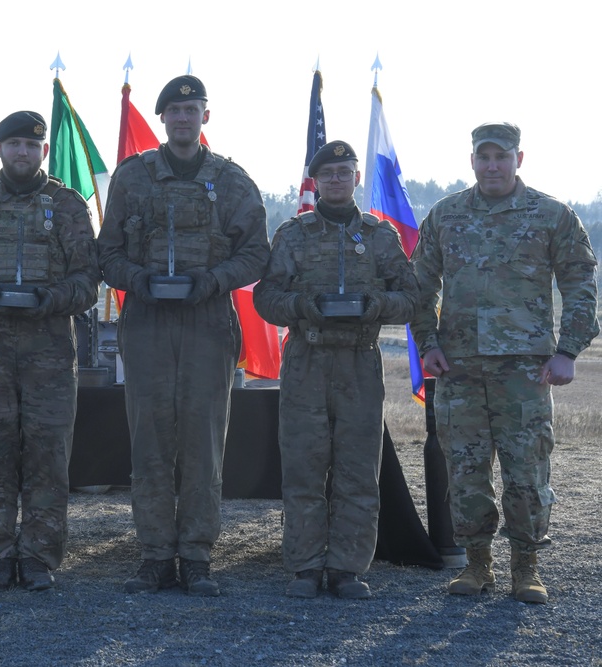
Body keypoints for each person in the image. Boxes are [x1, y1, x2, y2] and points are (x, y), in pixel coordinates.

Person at [411, 122, 599, 604]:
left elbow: (580, 285)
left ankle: (526, 569)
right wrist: (427, 342)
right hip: (459, 370)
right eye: (484, 157)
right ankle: (476, 565)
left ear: (520, 158)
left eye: (502, 156)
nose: (492, 165)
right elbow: (420, 286)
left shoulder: (552, 215)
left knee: (526, 473)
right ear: (471, 160)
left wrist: (567, 350)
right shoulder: (446, 215)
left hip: (525, 372)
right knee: (467, 471)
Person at [98, 75, 269, 597]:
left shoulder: (231, 180)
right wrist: (138, 280)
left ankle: (195, 556)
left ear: (205, 118)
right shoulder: (133, 177)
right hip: (148, 322)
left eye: (191, 109)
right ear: (162, 119)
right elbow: (106, 253)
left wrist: (211, 281)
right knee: (150, 442)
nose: (182, 118)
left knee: (202, 445)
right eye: (173, 110)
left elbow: (256, 253)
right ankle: (154, 556)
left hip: (207, 324)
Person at [0, 111, 100, 592]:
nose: (23, 153)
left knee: (47, 454)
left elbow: (88, 280)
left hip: (49, 349)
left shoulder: (68, 205)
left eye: (32, 146)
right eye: (13, 145)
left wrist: (52, 299)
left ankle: (38, 556)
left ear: (44, 152)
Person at [253, 140, 419, 599]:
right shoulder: (293, 234)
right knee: (305, 467)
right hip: (307, 358)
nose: (336, 181)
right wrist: (304, 306)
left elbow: (413, 298)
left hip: (360, 363)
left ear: (356, 178)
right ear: (315, 181)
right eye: (327, 174)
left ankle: (347, 567)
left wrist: (374, 304)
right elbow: (265, 298)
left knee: (357, 470)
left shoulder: (380, 236)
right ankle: (305, 566)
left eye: (344, 172)